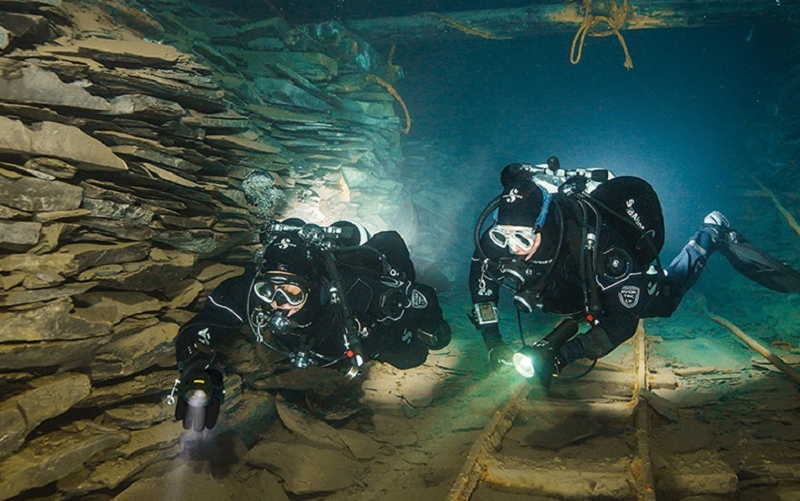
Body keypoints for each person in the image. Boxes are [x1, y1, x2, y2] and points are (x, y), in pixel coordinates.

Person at [470, 157, 800, 386]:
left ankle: (710, 235)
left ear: (545, 228)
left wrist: (566, 355)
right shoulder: (497, 242)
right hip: (564, 291)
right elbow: (482, 283)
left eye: (523, 237)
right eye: (504, 235)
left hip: (600, 280)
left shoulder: (601, 250)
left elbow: (623, 321)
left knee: (663, 302)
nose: (511, 247)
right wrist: (492, 342)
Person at [171, 219, 451, 431]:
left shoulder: (357, 291)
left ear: (314, 288)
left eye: (293, 293)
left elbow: (421, 298)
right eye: (269, 291)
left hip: (371, 335)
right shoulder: (252, 293)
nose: (278, 304)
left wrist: (434, 328)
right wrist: (197, 365)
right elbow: (205, 323)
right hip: (325, 350)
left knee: (412, 357)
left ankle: (437, 273)